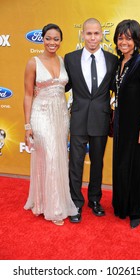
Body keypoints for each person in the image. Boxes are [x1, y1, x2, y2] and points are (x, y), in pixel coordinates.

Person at [64, 18, 118, 223]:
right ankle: (75, 203)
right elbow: (63, 86)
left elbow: (119, 87)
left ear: (101, 35)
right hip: (78, 118)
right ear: (82, 34)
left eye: (96, 33)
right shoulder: (70, 58)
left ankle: (95, 200)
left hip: (101, 119)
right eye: (89, 33)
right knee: (75, 163)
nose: (93, 38)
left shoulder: (112, 60)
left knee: (97, 163)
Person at [23, 23, 77, 226]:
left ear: (60, 41)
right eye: (48, 38)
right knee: (51, 155)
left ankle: (49, 200)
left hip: (61, 116)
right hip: (41, 114)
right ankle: (53, 208)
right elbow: (28, 95)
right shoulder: (33, 62)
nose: (52, 42)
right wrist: (27, 126)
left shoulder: (64, 61)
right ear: (42, 39)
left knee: (59, 157)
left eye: (56, 39)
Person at [112, 19, 140, 229]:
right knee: (121, 165)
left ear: (136, 40)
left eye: (128, 38)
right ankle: (121, 205)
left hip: (137, 125)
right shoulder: (119, 63)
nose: (124, 42)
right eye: (121, 38)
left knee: (136, 166)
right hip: (121, 124)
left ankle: (135, 210)